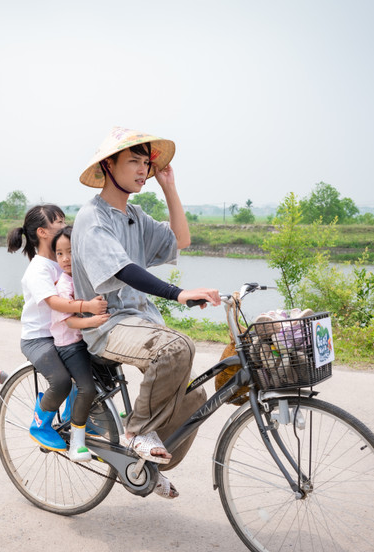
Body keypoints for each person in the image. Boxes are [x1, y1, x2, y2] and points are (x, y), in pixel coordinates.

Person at [71, 127, 221, 499]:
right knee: (176, 347)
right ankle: (137, 433)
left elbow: (180, 240)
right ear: (108, 165)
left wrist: (169, 187)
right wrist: (178, 293)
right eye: (133, 162)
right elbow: (123, 270)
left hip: (142, 322)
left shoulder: (136, 215)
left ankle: (145, 467)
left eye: (145, 164)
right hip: (109, 325)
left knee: (195, 399)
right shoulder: (93, 217)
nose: (142, 171)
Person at [7, 205, 107, 454]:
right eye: (59, 223)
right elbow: (55, 302)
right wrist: (88, 306)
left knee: (96, 366)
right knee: (62, 381)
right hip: (38, 339)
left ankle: (76, 418)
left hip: (63, 335)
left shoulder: (64, 260)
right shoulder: (38, 269)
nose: (65, 226)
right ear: (42, 232)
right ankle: (40, 425)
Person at [50, 225, 110, 461]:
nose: (65, 259)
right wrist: (94, 319)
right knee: (87, 387)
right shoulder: (64, 284)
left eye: (70, 252)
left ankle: (95, 422)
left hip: (86, 340)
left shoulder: (84, 277)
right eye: (59, 253)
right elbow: (71, 323)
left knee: (108, 376)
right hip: (69, 344)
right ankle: (77, 442)